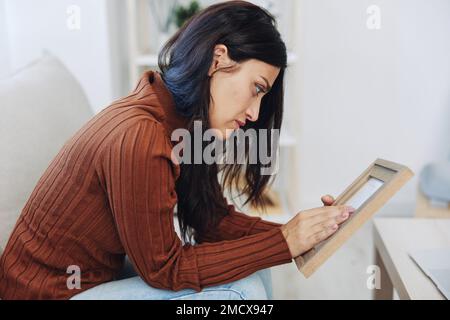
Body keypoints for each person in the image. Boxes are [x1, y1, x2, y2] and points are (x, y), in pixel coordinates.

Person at [0, 1, 353, 300]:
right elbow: (165, 269)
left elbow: (212, 221)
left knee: (256, 267)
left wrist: (298, 231)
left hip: (94, 278)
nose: (255, 113)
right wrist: (285, 242)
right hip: (48, 294)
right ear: (218, 60)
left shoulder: (181, 122)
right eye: (256, 88)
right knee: (241, 291)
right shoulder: (141, 136)